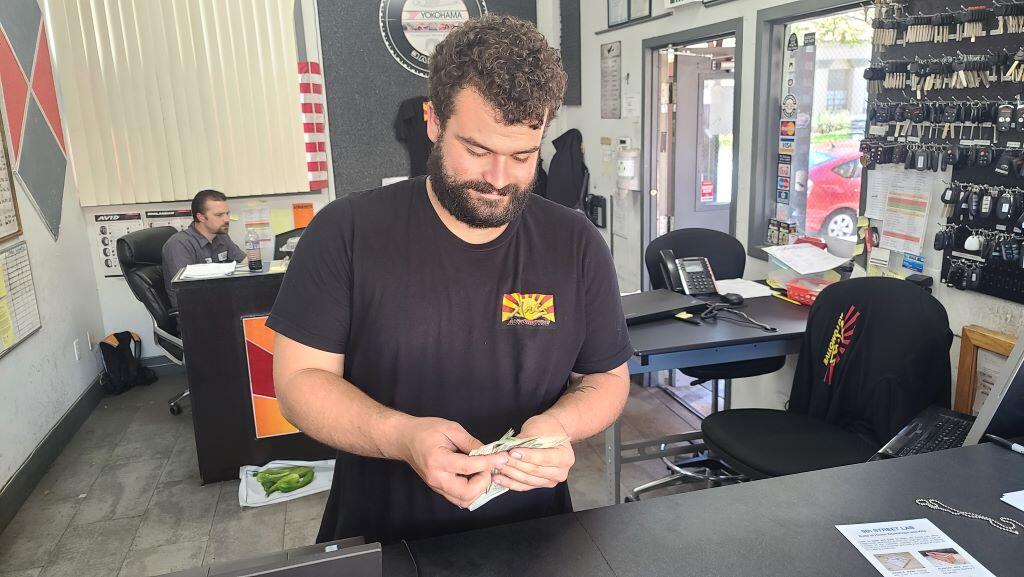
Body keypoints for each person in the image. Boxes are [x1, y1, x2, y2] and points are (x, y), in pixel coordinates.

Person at [267, 15, 632, 545]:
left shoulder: (574, 244)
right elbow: (300, 383)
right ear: (434, 121)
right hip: (381, 534)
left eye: (522, 155)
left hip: (534, 537)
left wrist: (557, 426)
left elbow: (606, 379)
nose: (500, 179)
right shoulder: (347, 232)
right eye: (478, 151)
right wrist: (402, 437)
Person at [161, 189, 246, 308]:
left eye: (227, 213)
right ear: (201, 217)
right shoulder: (179, 244)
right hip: (197, 313)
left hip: (223, 304)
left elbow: (246, 263)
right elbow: (187, 292)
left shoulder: (221, 236)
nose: (227, 219)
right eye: (219, 215)